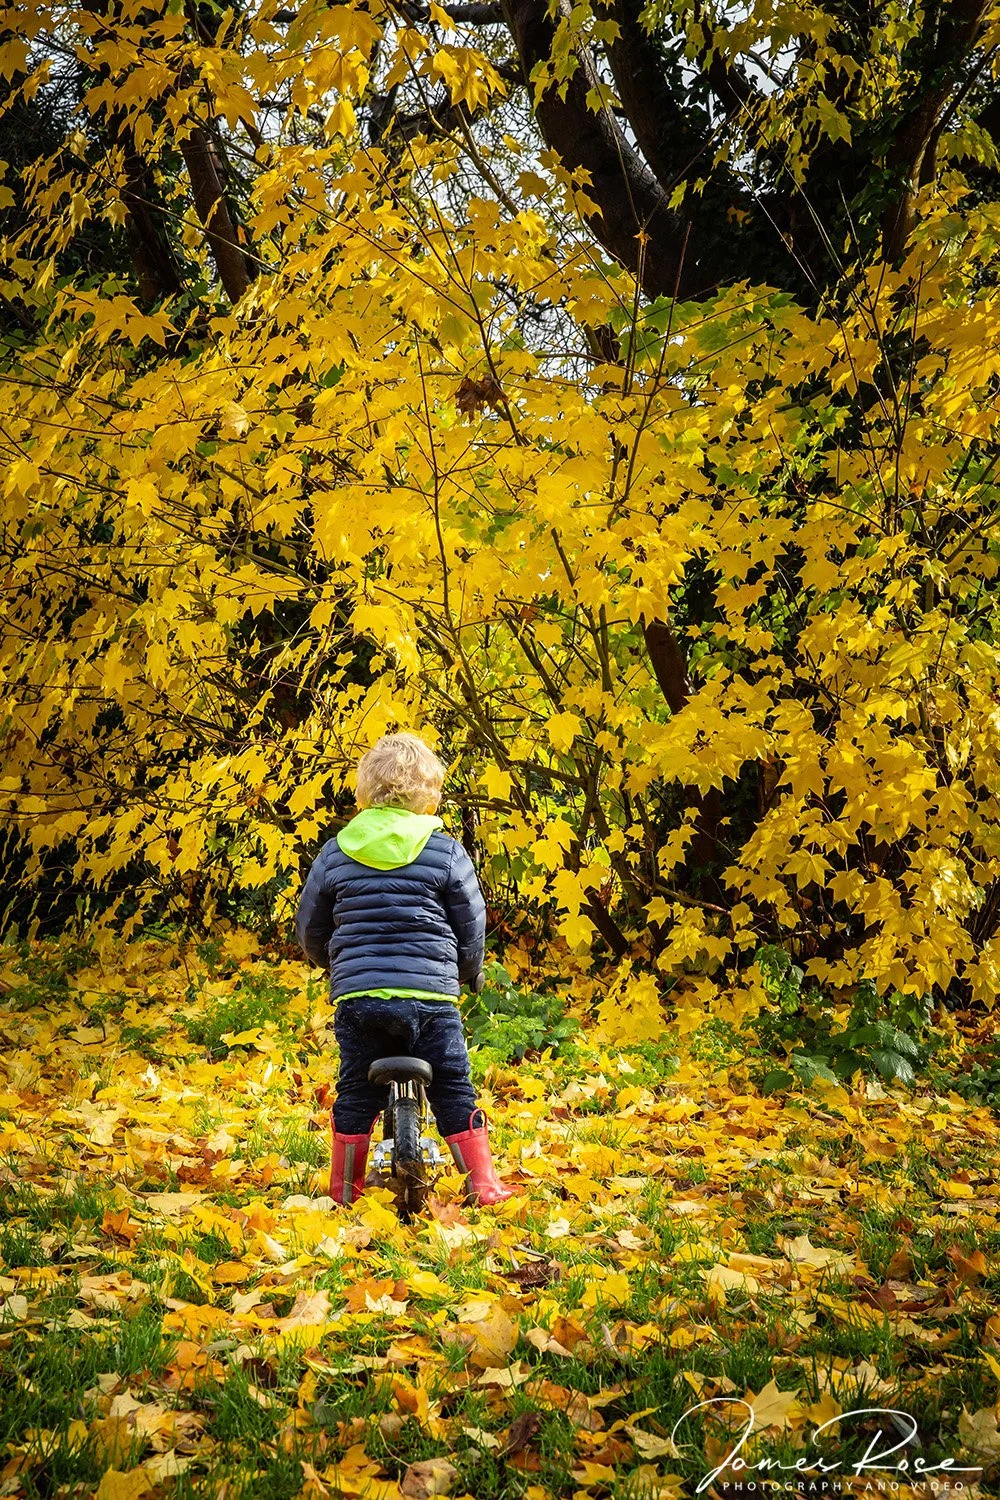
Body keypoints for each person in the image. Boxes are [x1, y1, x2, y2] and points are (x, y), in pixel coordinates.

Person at [295, 731, 516, 1208]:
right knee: (454, 1084)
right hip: (431, 997)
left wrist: (328, 964)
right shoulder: (446, 852)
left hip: (359, 999)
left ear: (364, 791)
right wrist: (467, 970)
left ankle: (343, 1191)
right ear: (429, 793)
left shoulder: (335, 853)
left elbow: (310, 925)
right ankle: (483, 1185)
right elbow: (470, 922)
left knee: (355, 1090)